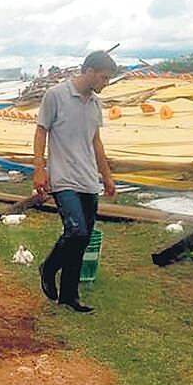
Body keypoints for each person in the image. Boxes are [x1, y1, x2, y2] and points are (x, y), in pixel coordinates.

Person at [33, 50, 117, 313]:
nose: (105, 83)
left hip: (88, 180)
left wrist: (107, 175)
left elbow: (96, 141)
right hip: (63, 178)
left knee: (82, 238)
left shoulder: (95, 104)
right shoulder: (56, 95)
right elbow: (41, 130)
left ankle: (69, 295)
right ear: (89, 71)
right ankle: (48, 268)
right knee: (76, 232)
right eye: (103, 77)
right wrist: (39, 168)